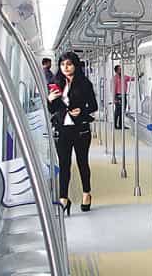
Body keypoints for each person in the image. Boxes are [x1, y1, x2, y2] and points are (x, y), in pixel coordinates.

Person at [47, 51, 98, 215]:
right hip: (63, 129)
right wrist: (50, 99)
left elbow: (94, 106)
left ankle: (86, 193)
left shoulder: (85, 84)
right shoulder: (56, 83)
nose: (65, 67)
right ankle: (63, 198)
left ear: (75, 65)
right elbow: (52, 110)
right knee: (64, 165)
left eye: (68, 64)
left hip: (80, 129)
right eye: (62, 64)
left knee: (82, 162)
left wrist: (81, 110)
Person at [113, 65, 135, 129]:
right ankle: (115, 125)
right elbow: (114, 89)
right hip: (118, 96)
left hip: (124, 95)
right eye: (119, 69)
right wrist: (114, 98)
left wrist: (139, 76)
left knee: (123, 111)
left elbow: (132, 78)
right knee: (117, 111)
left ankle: (121, 125)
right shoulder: (115, 78)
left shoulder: (124, 77)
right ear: (116, 71)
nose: (121, 70)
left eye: (121, 69)